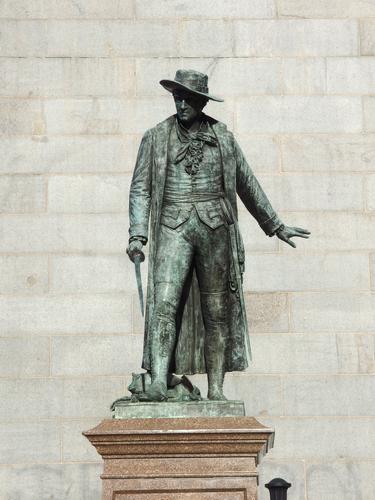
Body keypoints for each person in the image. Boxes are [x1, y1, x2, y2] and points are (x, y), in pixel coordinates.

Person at [126, 69, 310, 402]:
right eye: (177, 98)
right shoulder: (156, 137)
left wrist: (275, 225)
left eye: (188, 98)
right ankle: (157, 380)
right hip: (172, 228)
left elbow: (246, 182)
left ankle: (216, 391)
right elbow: (140, 188)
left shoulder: (222, 137)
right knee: (164, 304)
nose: (181, 104)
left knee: (217, 311)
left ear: (201, 101)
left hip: (215, 230)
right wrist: (138, 233)